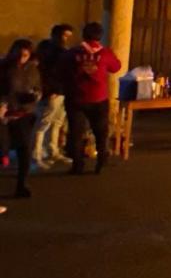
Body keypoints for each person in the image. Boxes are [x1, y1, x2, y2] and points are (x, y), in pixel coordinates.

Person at [63, 22, 121, 175]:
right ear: (100, 36)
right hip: (98, 98)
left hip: (76, 98)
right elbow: (116, 67)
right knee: (101, 132)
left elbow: (63, 68)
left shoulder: (73, 52)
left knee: (76, 133)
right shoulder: (105, 53)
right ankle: (101, 161)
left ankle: (77, 165)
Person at [1, 39, 41, 198]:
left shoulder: (32, 69)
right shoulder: (3, 68)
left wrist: (35, 96)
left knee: (24, 149)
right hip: (5, 114)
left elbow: (38, 87)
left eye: (25, 55)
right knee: (2, 148)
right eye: (18, 54)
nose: (21, 58)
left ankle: (22, 184)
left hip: (24, 113)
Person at [33, 24, 74, 169]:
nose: (66, 39)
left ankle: (53, 151)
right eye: (65, 36)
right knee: (44, 123)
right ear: (56, 35)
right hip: (54, 92)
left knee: (57, 123)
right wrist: (50, 90)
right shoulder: (49, 50)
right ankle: (36, 154)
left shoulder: (61, 50)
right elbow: (46, 72)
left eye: (69, 36)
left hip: (63, 91)